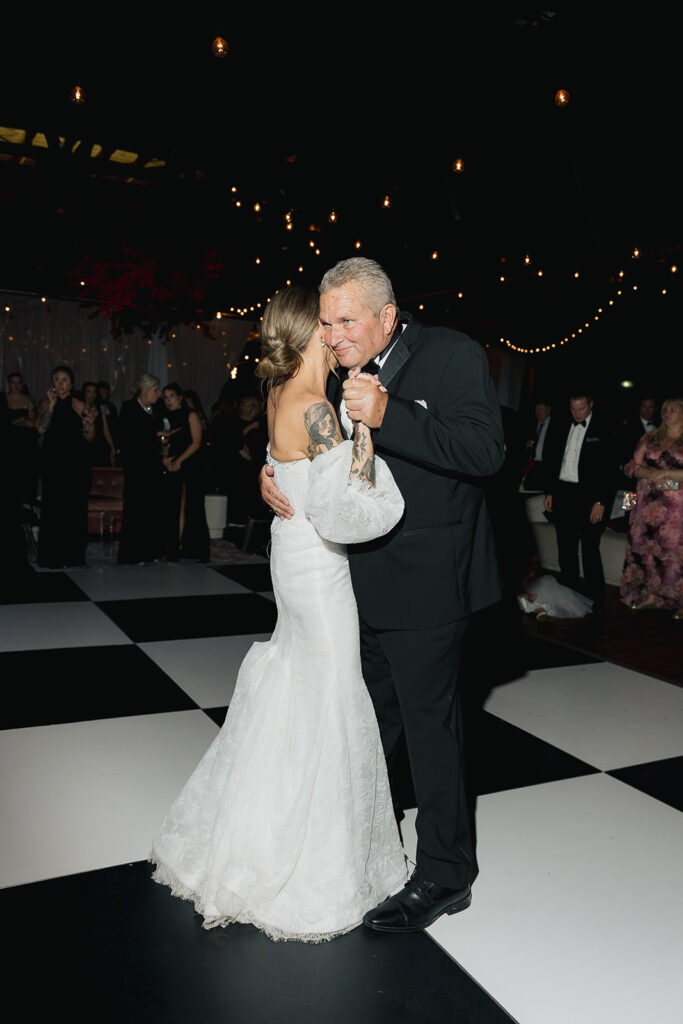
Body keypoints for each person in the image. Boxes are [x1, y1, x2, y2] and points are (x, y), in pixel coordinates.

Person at [151, 286, 407, 941]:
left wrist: (272, 473)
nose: (338, 331)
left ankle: (258, 834)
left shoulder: (277, 396)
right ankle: (308, 859)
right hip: (319, 570)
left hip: (290, 559)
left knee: (298, 685)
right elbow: (346, 514)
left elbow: (279, 465)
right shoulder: (317, 409)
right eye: (329, 324)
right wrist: (369, 453)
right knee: (328, 695)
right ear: (315, 334)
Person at [261, 257, 504, 932]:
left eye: (346, 321)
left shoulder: (451, 355)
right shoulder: (338, 369)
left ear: (386, 316)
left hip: (429, 583)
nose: (333, 335)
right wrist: (272, 471)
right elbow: (321, 448)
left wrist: (393, 413)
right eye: (326, 323)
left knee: (430, 733)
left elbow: (485, 453)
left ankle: (445, 874)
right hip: (353, 583)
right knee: (366, 725)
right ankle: (363, 844)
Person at [543, 392, 615, 615]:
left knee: (590, 550)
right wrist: (551, 492)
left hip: (590, 498)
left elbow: (609, 469)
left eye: (581, 409)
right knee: (565, 549)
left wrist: (601, 501)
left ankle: (596, 601)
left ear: (591, 404)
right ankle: (569, 595)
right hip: (564, 493)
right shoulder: (560, 424)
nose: (576, 414)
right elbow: (551, 458)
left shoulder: (605, 428)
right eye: (573, 409)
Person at [620, 397, 683, 620]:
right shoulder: (650, 436)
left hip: (676, 508)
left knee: (674, 553)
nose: (667, 412)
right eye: (665, 409)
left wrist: (665, 477)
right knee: (644, 548)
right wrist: (651, 475)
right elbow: (630, 467)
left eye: (673, 409)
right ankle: (651, 595)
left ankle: (679, 600)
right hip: (644, 501)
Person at [35, 365, 95, 568]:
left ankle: (73, 555)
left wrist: (90, 424)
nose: (60, 383)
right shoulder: (45, 403)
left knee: (74, 506)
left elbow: (89, 437)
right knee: (53, 506)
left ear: (71, 383)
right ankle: (52, 555)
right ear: (52, 382)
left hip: (75, 461)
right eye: (57, 379)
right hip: (52, 460)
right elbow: (40, 428)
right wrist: (51, 407)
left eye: (64, 380)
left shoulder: (80, 405)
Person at [118, 374, 166, 564]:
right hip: (136, 467)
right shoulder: (129, 408)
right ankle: (132, 553)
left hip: (152, 467)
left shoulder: (154, 409)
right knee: (135, 508)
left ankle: (149, 551)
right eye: (156, 390)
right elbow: (127, 438)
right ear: (146, 390)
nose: (158, 394)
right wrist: (155, 436)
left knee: (150, 508)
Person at [161, 383, 210, 562]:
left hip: (192, 464)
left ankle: (198, 549)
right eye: (165, 397)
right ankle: (175, 546)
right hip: (174, 464)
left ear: (180, 397)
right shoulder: (166, 416)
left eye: (171, 396)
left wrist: (178, 461)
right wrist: (166, 459)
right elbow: (165, 442)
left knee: (194, 506)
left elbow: (197, 442)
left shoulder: (191, 414)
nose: (168, 400)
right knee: (174, 506)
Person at [5, 371, 39, 504]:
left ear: (22, 384)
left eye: (18, 383)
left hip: (25, 445)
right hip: (8, 443)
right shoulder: (3, 399)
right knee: (9, 479)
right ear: (9, 384)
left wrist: (23, 422)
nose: (16, 385)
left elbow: (34, 424)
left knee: (25, 479)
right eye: (13, 382)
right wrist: (12, 422)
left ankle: (27, 513)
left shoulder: (28, 400)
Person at [82, 380, 116, 467]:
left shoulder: (100, 406)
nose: (91, 395)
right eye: (89, 392)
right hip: (83, 445)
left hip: (100, 445)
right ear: (84, 392)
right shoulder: (79, 406)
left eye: (94, 392)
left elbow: (105, 429)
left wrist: (112, 447)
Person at [523, 399, 552, 491]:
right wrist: (527, 446)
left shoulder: (555, 426)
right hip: (532, 465)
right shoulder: (532, 424)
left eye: (540, 409)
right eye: (536, 410)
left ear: (548, 410)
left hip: (546, 466)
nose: (537, 412)